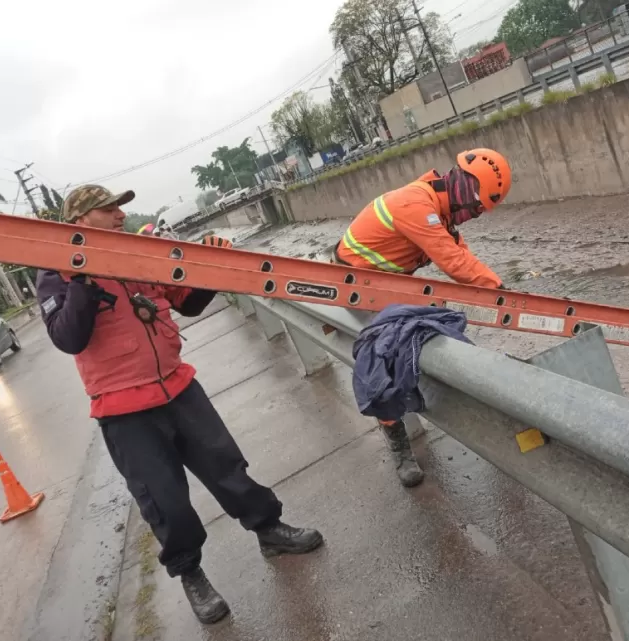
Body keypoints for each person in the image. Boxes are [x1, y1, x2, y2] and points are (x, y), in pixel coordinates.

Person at [36, 185, 324, 625]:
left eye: (120, 208)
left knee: (227, 468)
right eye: (108, 209)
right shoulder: (57, 272)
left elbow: (184, 302)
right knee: (166, 502)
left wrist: (210, 268)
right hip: (124, 410)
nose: (119, 215)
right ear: (79, 221)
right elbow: (68, 337)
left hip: (178, 387)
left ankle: (269, 529)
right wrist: (82, 278)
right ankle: (192, 575)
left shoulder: (135, 253)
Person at [335, 148, 512, 488]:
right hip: (357, 283)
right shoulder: (417, 204)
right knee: (384, 359)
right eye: (475, 208)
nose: (471, 217)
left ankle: (465, 406)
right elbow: (454, 263)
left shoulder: (438, 210)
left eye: (478, 213)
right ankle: (400, 447)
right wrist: (501, 293)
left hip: (390, 283)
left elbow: (462, 253)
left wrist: (499, 288)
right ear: (465, 187)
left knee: (436, 332)